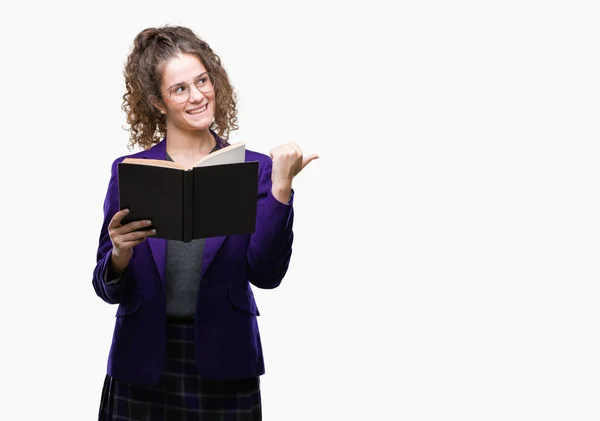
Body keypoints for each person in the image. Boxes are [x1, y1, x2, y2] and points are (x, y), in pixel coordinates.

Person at [93, 25, 318, 420]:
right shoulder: (130, 171)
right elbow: (107, 288)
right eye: (180, 88)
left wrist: (282, 188)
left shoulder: (256, 169)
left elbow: (265, 274)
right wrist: (120, 254)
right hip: (142, 360)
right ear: (157, 102)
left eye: (202, 81)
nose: (198, 96)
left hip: (225, 360)